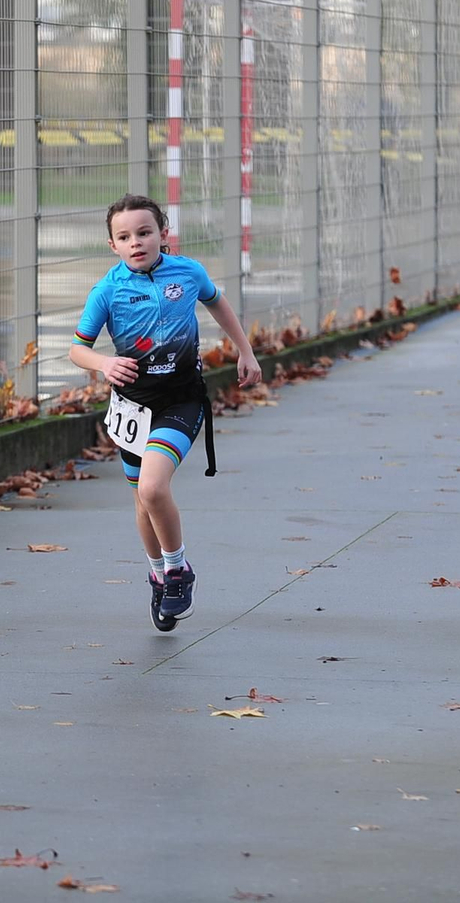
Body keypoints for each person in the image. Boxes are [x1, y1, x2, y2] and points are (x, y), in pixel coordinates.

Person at [68, 194, 261, 629]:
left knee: (154, 489)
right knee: (141, 501)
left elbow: (217, 303)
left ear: (163, 234)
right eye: (124, 236)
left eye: (144, 232)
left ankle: (178, 570)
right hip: (133, 407)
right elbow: (77, 349)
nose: (135, 242)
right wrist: (104, 362)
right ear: (112, 245)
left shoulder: (187, 273)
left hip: (181, 399)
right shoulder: (108, 290)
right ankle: (157, 574)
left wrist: (244, 351)